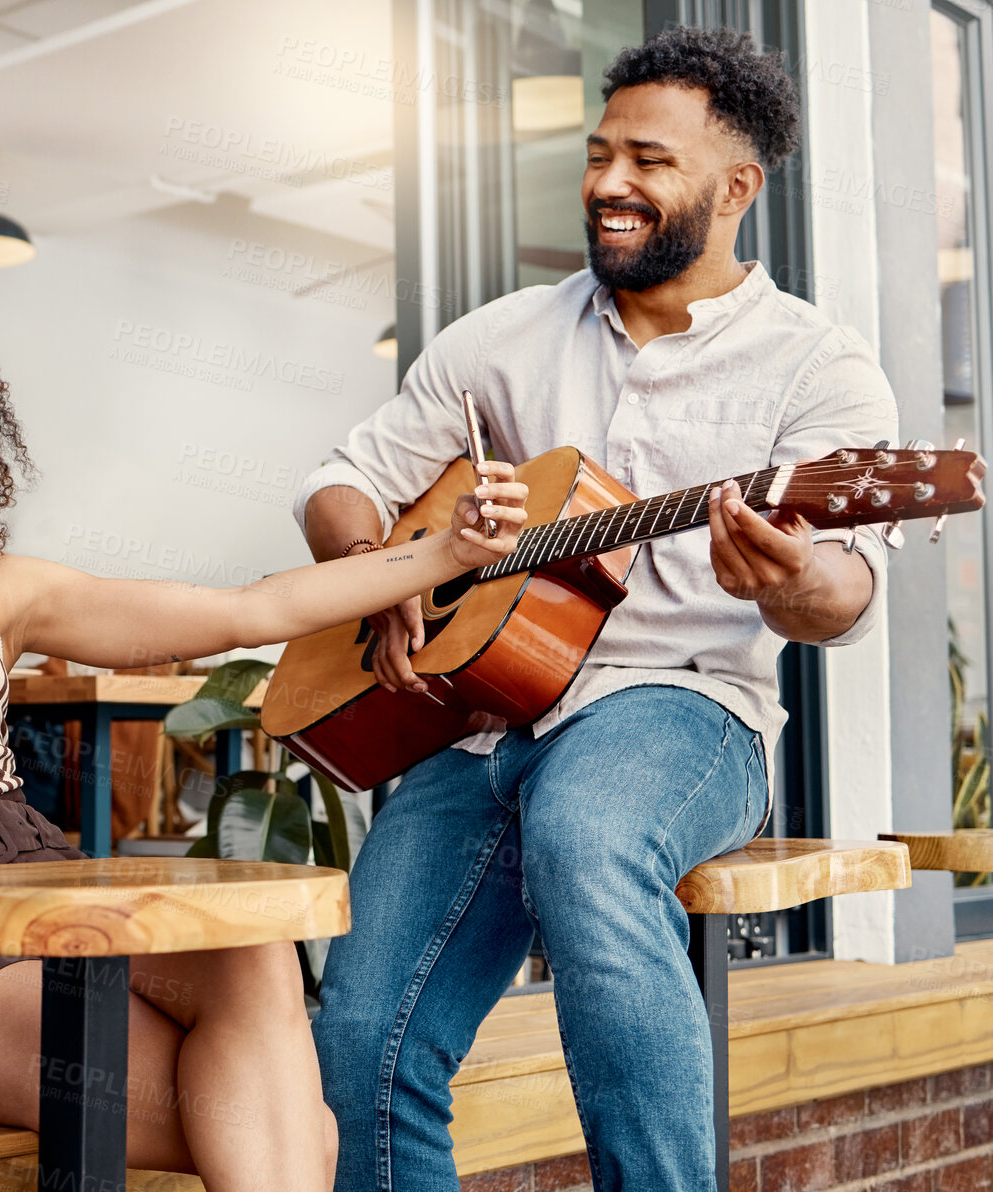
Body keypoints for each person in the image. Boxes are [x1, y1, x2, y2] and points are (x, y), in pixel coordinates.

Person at [0, 268, 529, 1191]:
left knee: (253, 961)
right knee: (289, 1128)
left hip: (37, 881)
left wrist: (445, 553)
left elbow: (245, 612)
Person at [296, 26, 898, 1191]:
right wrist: (385, 571)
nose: (608, 185)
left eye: (647, 161)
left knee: (587, 829)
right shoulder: (501, 336)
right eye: (597, 153)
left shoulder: (816, 367)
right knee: (364, 1035)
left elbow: (844, 595)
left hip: (680, 709)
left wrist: (790, 580)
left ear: (736, 187)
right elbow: (340, 479)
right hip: (473, 720)